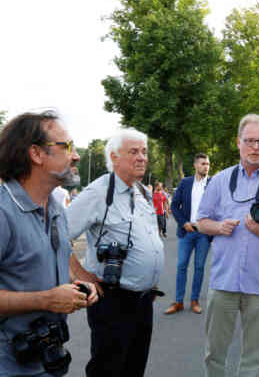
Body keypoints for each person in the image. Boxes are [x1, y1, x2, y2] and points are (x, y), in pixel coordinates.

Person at [197, 115, 259, 377]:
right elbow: (201, 221)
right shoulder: (220, 180)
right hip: (224, 281)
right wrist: (218, 227)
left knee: (253, 357)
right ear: (238, 143)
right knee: (214, 353)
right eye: (250, 141)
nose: (256, 147)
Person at [0, 111, 98, 376]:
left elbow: (47, 261)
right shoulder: (3, 210)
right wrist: (46, 300)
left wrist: (79, 286)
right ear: (36, 154)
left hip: (49, 356)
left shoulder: (54, 206)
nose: (76, 155)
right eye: (66, 146)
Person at [66, 128, 165, 377]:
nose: (142, 157)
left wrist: (149, 279)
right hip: (112, 300)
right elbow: (53, 237)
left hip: (143, 300)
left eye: (144, 151)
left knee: (134, 366)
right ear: (114, 157)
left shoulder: (142, 191)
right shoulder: (99, 192)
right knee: (108, 368)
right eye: (133, 152)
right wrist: (81, 274)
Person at [164, 153, 211, 315]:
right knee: (181, 265)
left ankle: (194, 301)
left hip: (204, 233)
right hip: (186, 231)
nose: (206, 166)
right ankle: (178, 302)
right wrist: (184, 223)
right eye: (203, 164)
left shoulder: (213, 184)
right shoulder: (185, 183)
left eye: (208, 164)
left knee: (199, 268)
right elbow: (175, 206)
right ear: (196, 165)